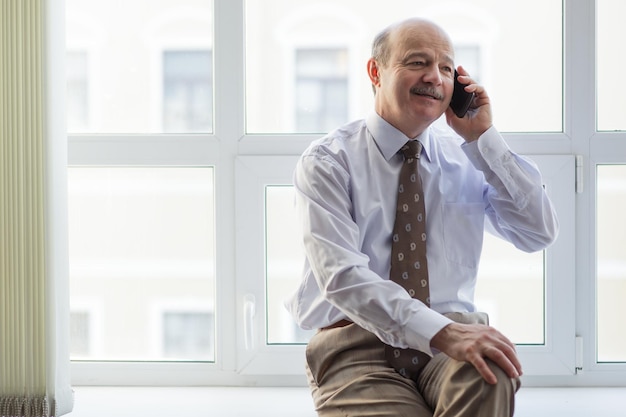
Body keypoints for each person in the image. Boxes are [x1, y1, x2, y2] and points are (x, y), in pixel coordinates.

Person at [285, 17, 559, 417]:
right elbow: (342, 278)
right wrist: (442, 332)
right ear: (375, 72)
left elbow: (538, 231)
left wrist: (485, 140)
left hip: (452, 347)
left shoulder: (468, 158)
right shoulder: (328, 162)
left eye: (446, 68)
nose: (434, 77)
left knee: (491, 372)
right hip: (357, 344)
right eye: (417, 62)